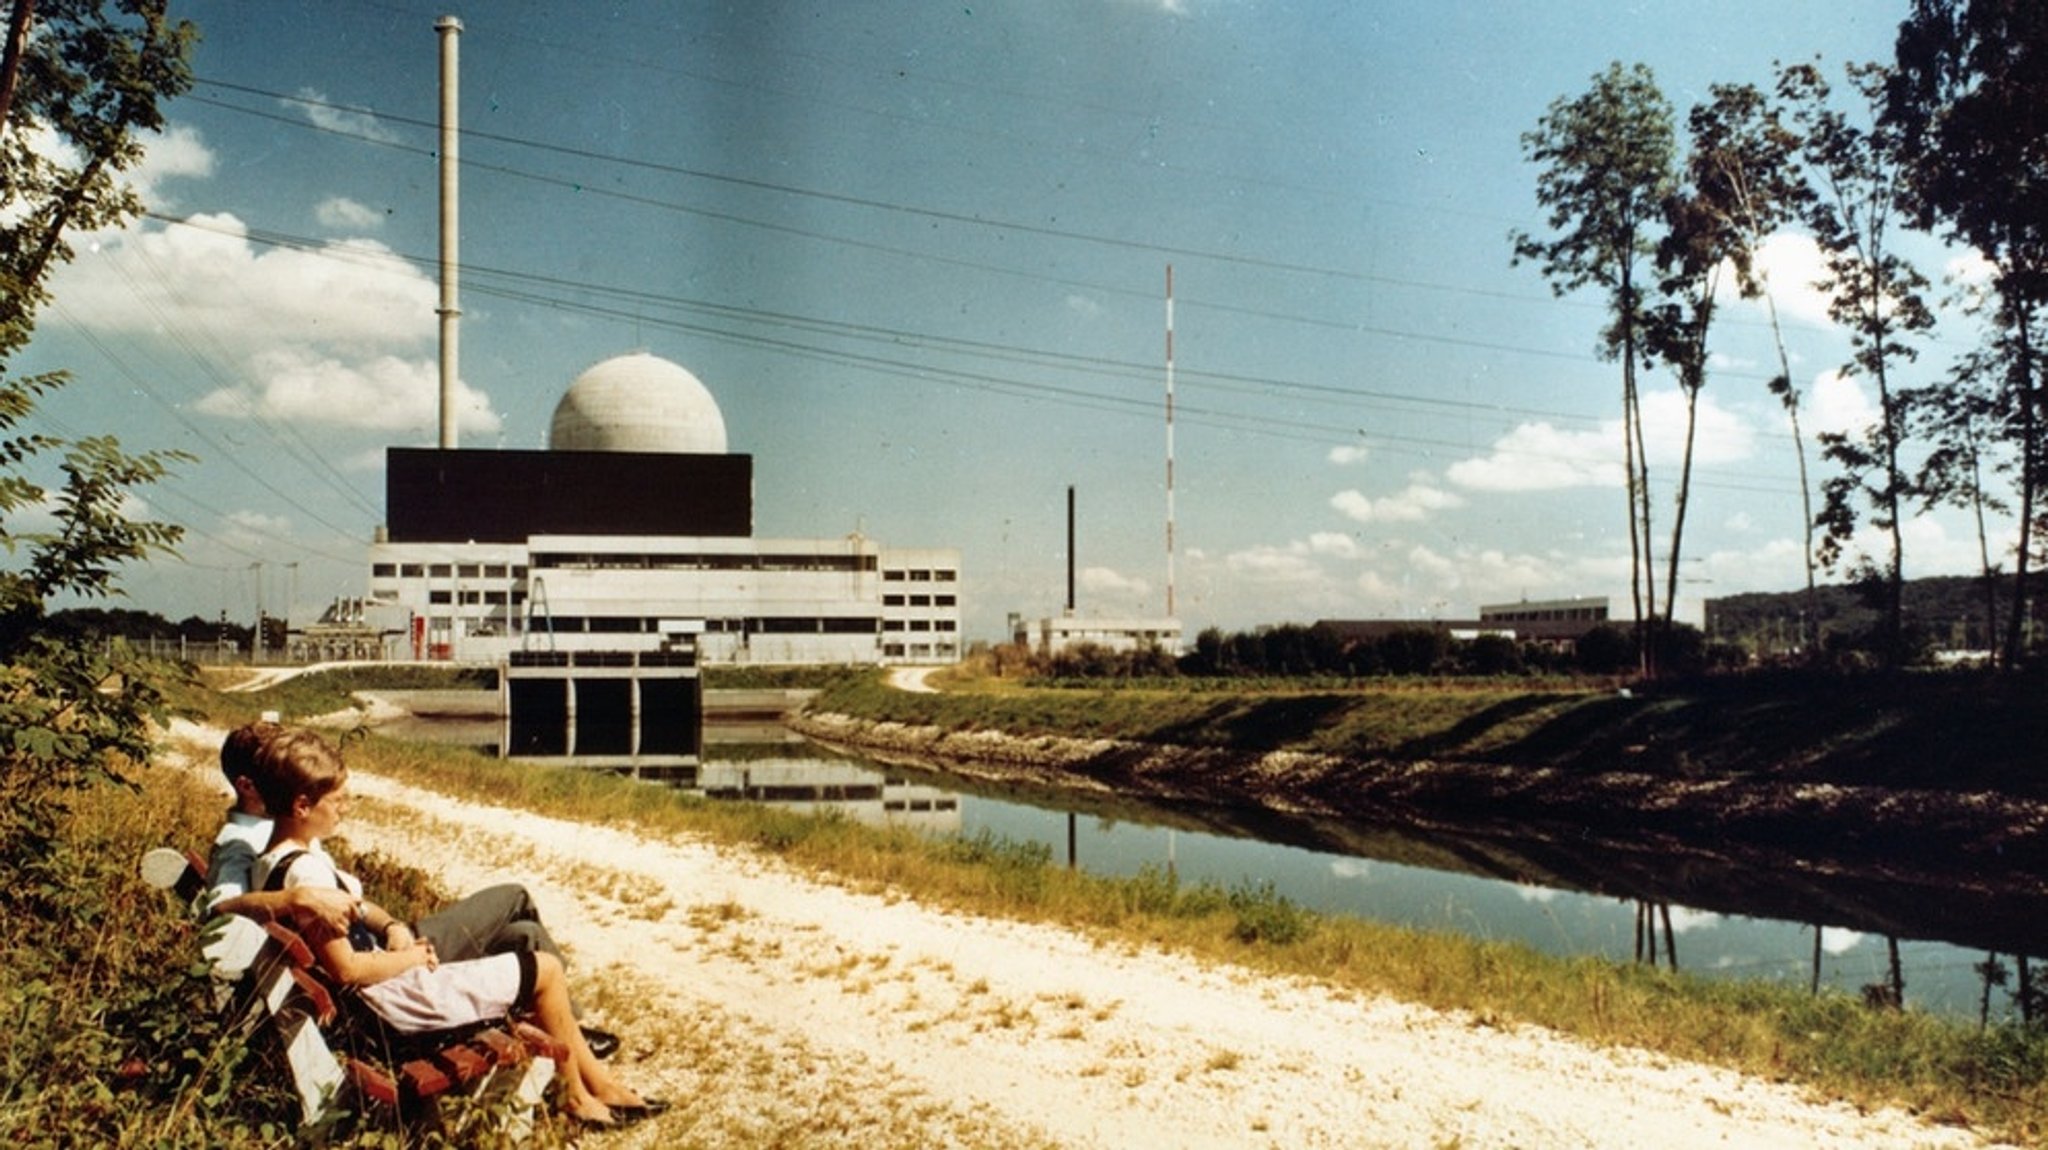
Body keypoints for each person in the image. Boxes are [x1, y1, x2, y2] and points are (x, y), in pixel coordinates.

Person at [249, 727, 662, 1129]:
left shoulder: (276, 861)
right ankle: (579, 1097)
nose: (346, 807)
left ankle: (601, 1086)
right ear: (303, 806)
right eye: (338, 800)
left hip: (388, 995)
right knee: (546, 970)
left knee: (528, 955)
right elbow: (347, 970)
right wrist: (410, 957)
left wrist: (393, 931)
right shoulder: (306, 876)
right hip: (396, 1006)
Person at [198, 721, 617, 1057]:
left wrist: (393, 923)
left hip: (377, 945)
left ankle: (569, 1033)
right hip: (381, 972)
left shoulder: (288, 836)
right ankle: (571, 1034)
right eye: (274, 764)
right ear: (251, 784)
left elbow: (346, 900)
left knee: (523, 935)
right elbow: (219, 913)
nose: (282, 766)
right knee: (515, 898)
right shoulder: (241, 843)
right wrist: (295, 897)